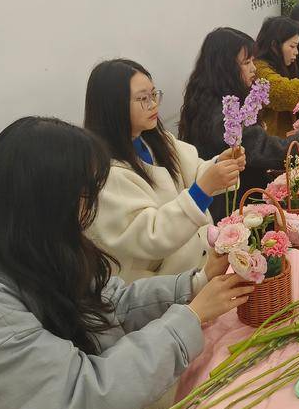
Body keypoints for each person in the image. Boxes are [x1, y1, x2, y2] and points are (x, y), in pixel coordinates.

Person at [0, 117, 253, 409]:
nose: (91, 206)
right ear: (45, 202)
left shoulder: (27, 250)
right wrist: (190, 317)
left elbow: (108, 301)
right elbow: (85, 397)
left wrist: (197, 283)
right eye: (85, 194)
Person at [84, 59, 245, 282]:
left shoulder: (154, 140)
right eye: (143, 99)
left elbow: (193, 171)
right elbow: (151, 236)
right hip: (164, 283)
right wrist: (204, 189)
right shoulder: (106, 175)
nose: (153, 104)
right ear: (113, 106)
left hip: (199, 262)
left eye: (154, 94)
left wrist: (219, 165)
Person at [178, 27, 299, 221]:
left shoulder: (217, 98)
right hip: (233, 211)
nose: (254, 69)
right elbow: (269, 150)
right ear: (224, 68)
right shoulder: (221, 114)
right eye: (246, 63)